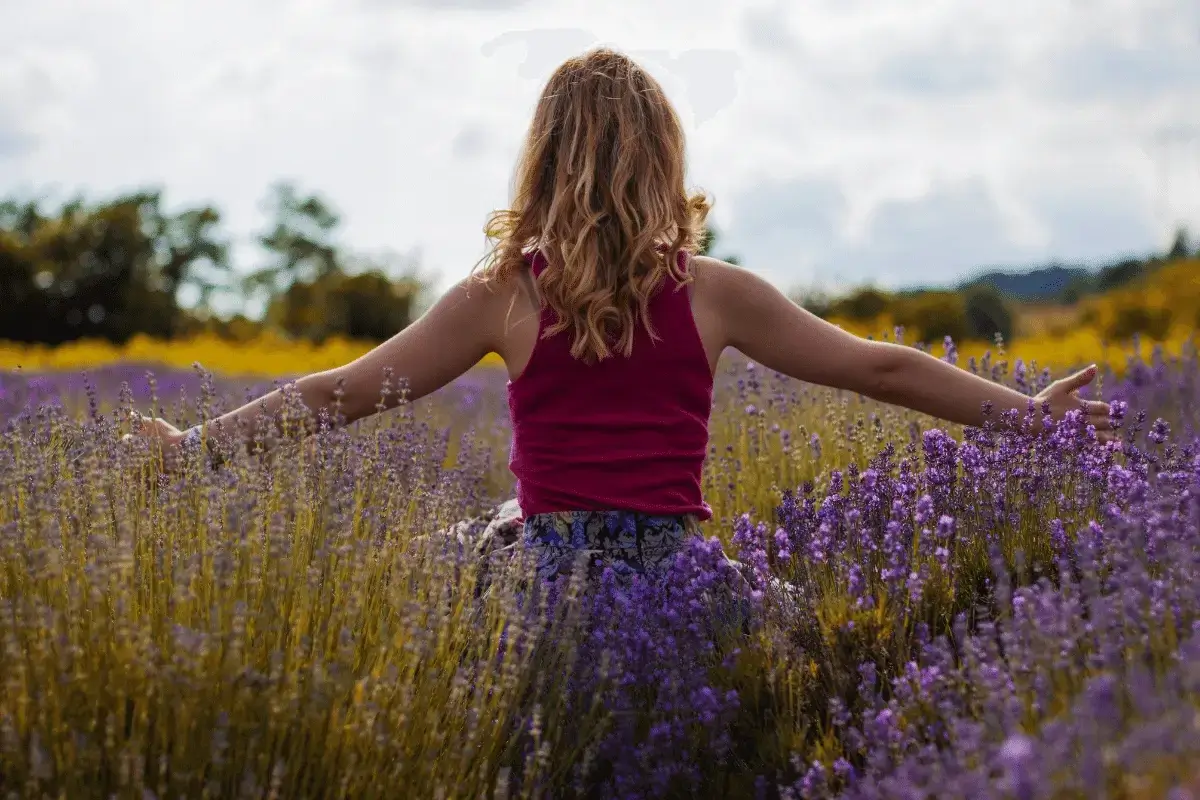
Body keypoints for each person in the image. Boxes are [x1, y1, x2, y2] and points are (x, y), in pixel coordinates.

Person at [128, 47, 1113, 586]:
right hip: (679, 575)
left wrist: (192, 447)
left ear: (546, 160)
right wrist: (1025, 414)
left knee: (432, 576)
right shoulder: (719, 291)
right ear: (664, 161)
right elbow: (880, 367)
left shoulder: (504, 294)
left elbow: (339, 394)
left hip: (549, 574)